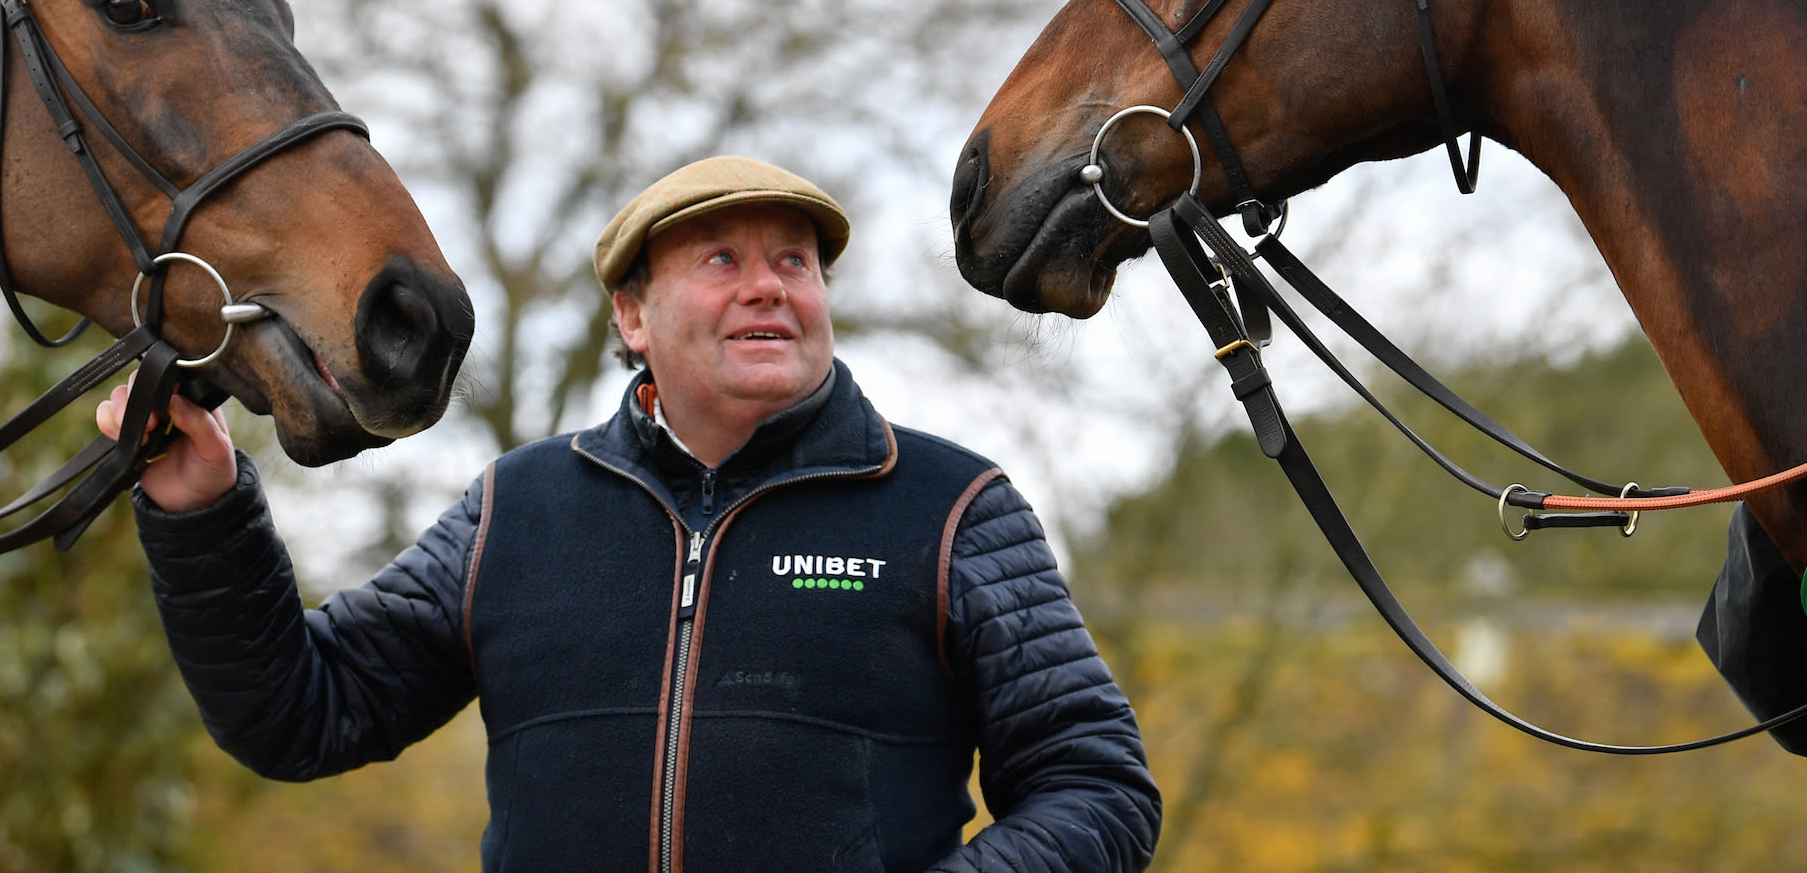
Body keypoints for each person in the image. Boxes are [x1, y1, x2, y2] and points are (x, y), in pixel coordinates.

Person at [108, 155, 1161, 871]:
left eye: (794, 260)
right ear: (632, 313)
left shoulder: (953, 506)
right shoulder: (516, 510)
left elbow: (1097, 782)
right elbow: (303, 710)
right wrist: (205, 510)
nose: (769, 287)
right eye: (721, 260)